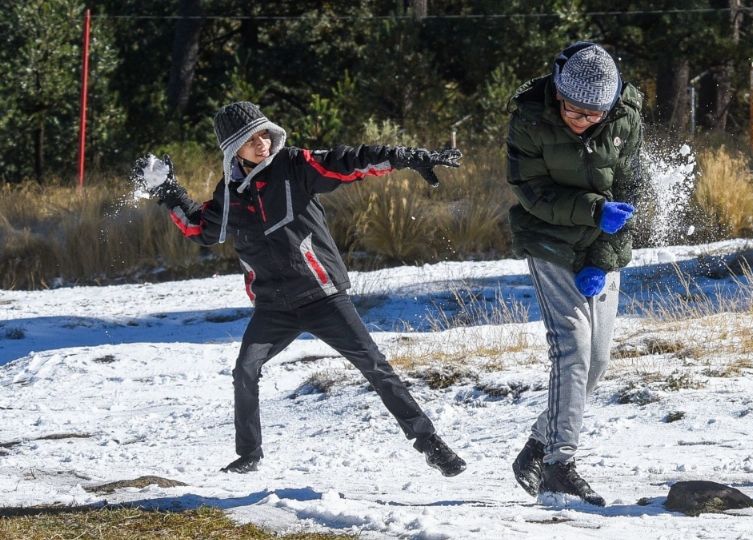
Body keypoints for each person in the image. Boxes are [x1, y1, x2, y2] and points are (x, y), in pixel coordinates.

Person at [131, 101, 466, 477]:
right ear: (232, 148)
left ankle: (431, 445)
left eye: (264, 134)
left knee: (375, 367)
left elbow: (348, 161)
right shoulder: (230, 194)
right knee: (245, 369)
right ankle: (249, 454)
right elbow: (200, 229)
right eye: (250, 138)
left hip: (322, 295)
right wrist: (169, 191)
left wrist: (404, 157)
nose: (261, 143)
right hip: (273, 307)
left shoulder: (294, 165)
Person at [506, 42, 644, 506]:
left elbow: (630, 192)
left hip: (601, 245)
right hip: (549, 241)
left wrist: (604, 257)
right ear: (559, 94)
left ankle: (538, 446)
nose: (580, 120)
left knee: (598, 361)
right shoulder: (529, 118)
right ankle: (559, 466)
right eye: (573, 110)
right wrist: (593, 211)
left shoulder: (625, 116)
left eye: (592, 115)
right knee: (573, 352)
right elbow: (531, 192)